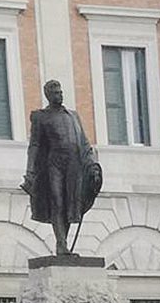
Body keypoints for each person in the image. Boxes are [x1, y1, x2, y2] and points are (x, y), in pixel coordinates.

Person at [21, 80, 102, 255]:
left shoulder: (73, 116)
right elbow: (34, 145)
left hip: (74, 164)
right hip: (54, 163)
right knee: (57, 201)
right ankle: (61, 244)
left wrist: (94, 165)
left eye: (60, 92)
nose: (59, 95)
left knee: (70, 203)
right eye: (56, 93)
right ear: (48, 95)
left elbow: (85, 143)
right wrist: (30, 172)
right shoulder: (41, 117)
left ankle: (63, 243)